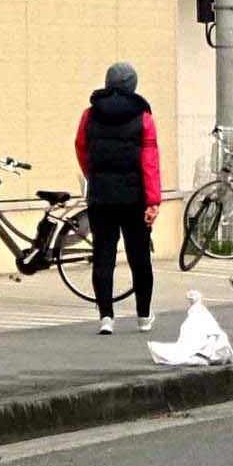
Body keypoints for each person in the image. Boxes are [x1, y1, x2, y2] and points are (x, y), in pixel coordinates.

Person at [76, 61, 162, 335]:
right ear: (132, 85)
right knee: (139, 257)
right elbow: (150, 161)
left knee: (103, 255)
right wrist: (153, 200)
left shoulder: (89, 115)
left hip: (101, 197)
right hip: (134, 198)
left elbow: (81, 147)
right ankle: (143, 316)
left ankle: (106, 317)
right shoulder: (143, 118)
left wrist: (94, 176)